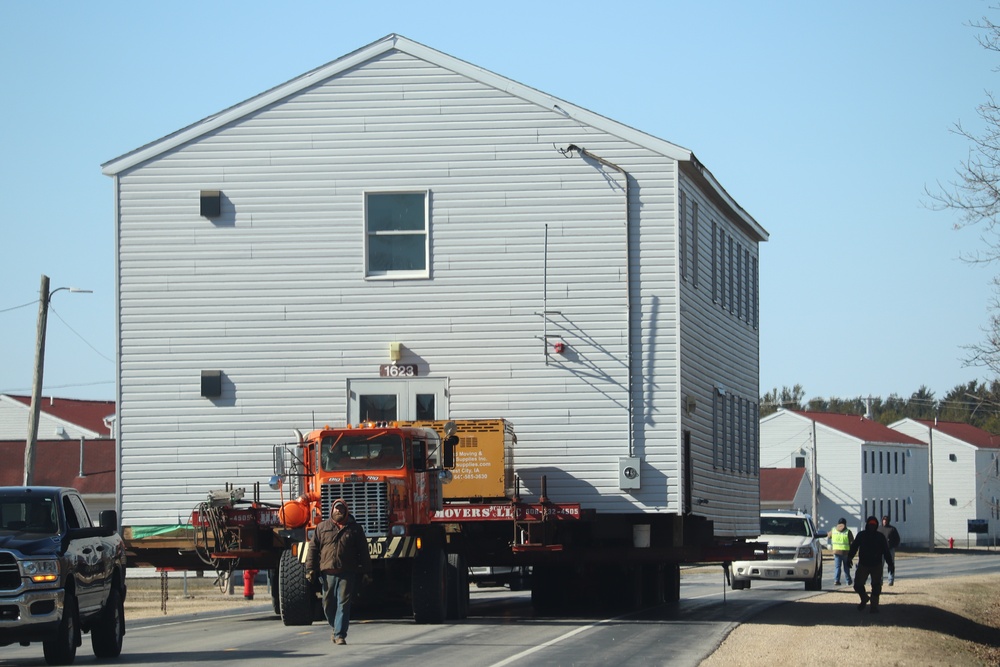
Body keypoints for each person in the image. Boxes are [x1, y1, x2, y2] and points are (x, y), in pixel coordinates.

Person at [305, 498, 372, 645]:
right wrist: (310, 569)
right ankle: (335, 628)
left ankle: (340, 634)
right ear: (332, 510)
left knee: (344, 603)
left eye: (341, 509)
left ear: (346, 511)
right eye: (336, 508)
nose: (339, 511)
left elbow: (363, 551)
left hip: (347, 572)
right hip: (327, 572)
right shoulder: (322, 527)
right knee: (328, 603)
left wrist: (367, 571)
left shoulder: (355, 529)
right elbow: (313, 549)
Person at [847, 515, 894, 613]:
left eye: (874, 524)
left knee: (876, 586)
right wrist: (849, 558)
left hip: (876, 564)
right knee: (857, 585)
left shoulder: (880, 537)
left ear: (876, 525)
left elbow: (886, 551)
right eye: (870, 524)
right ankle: (864, 598)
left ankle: (874, 606)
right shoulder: (861, 535)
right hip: (863, 564)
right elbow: (854, 547)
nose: (872, 526)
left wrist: (890, 564)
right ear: (867, 525)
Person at [828, 517, 854, 586]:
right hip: (845, 552)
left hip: (836, 552)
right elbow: (852, 542)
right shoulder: (848, 531)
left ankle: (836, 580)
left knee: (837, 567)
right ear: (845, 524)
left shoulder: (833, 530)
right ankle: (848, 581)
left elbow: (828, 536)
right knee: (846, 567)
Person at [878, 515, 901, 586]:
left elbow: (897, 539)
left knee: (890, 565)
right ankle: (879, 580)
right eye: (883, 520)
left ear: (888, 521)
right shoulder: (879, 529)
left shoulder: (892, 529)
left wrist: (893, 545)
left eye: (886, 520)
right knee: (879, 566)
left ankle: (890, 580)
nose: (885, 521)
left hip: (890, 550)